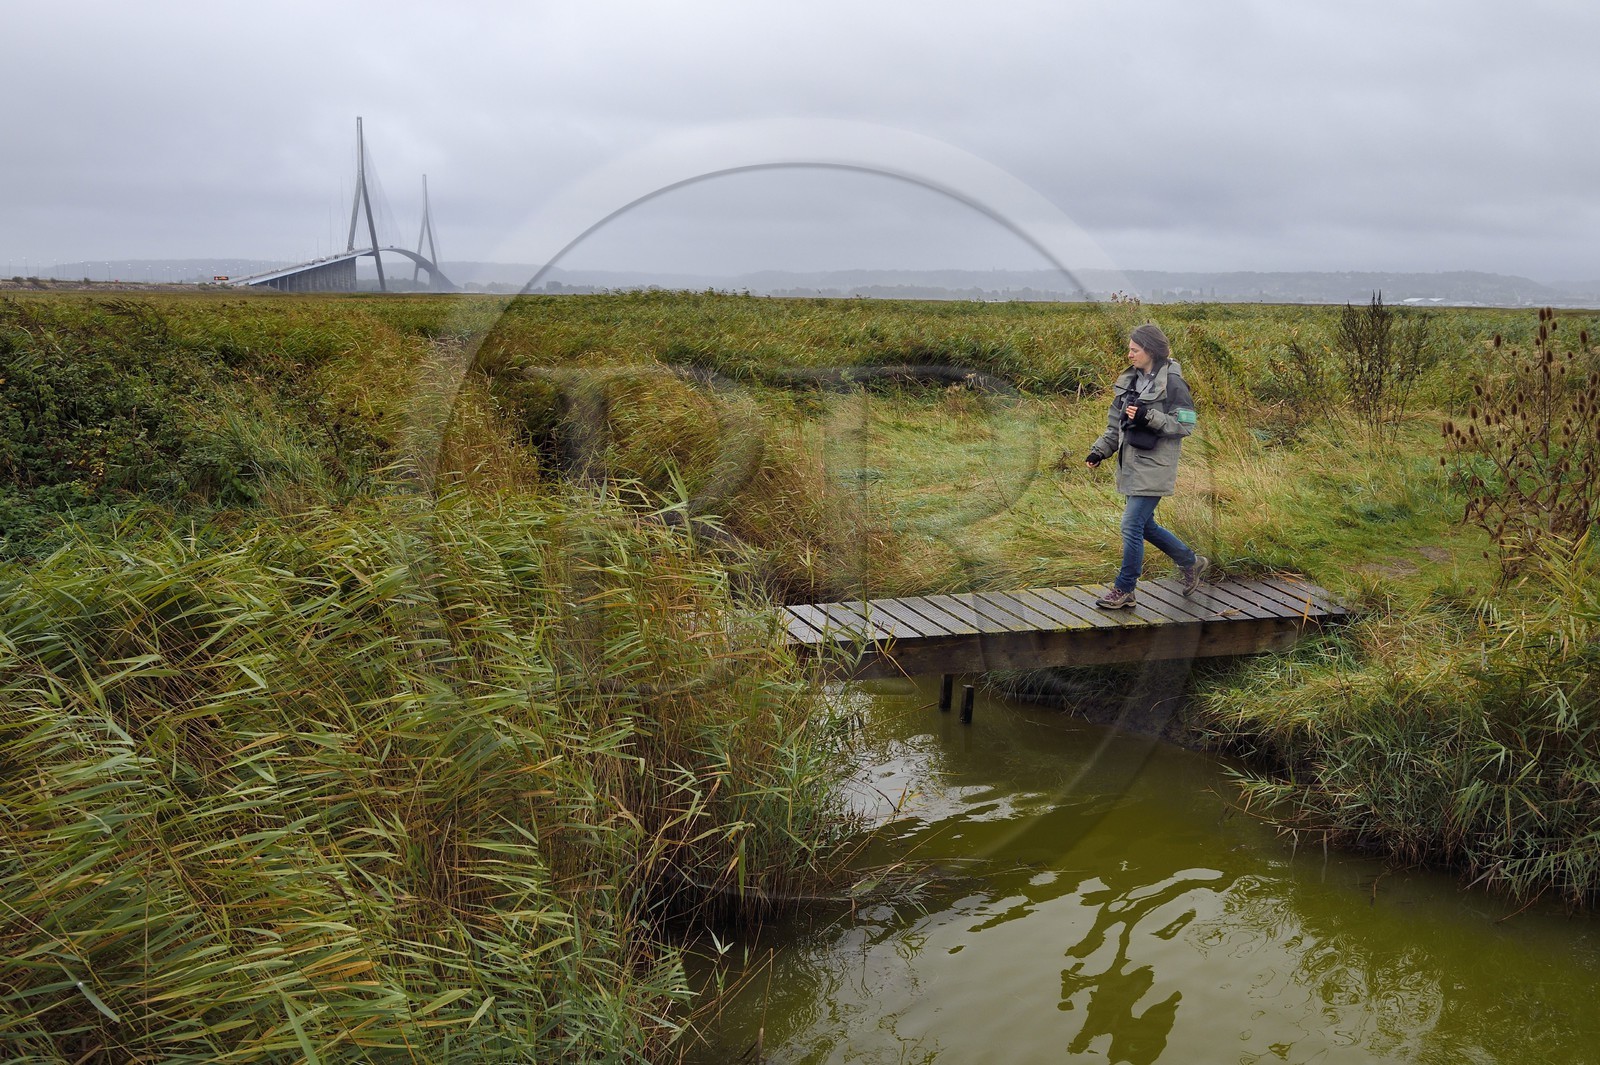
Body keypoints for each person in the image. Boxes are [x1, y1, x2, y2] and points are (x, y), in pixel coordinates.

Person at [1083, 323, 1209, 608]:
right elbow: (1116, 424)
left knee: (1130, 525)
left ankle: (1125, 589)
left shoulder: (1173, 382)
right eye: (1129, 349)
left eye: (1134, 350)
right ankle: (1191, 562)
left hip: (1154, 467)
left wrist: (1148, 416)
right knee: (1145, 525)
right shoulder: (1129, 380)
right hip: (1131, 465)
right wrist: (1099, 451)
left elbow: (1185, 424)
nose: (1129, 355)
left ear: (1150, 350)